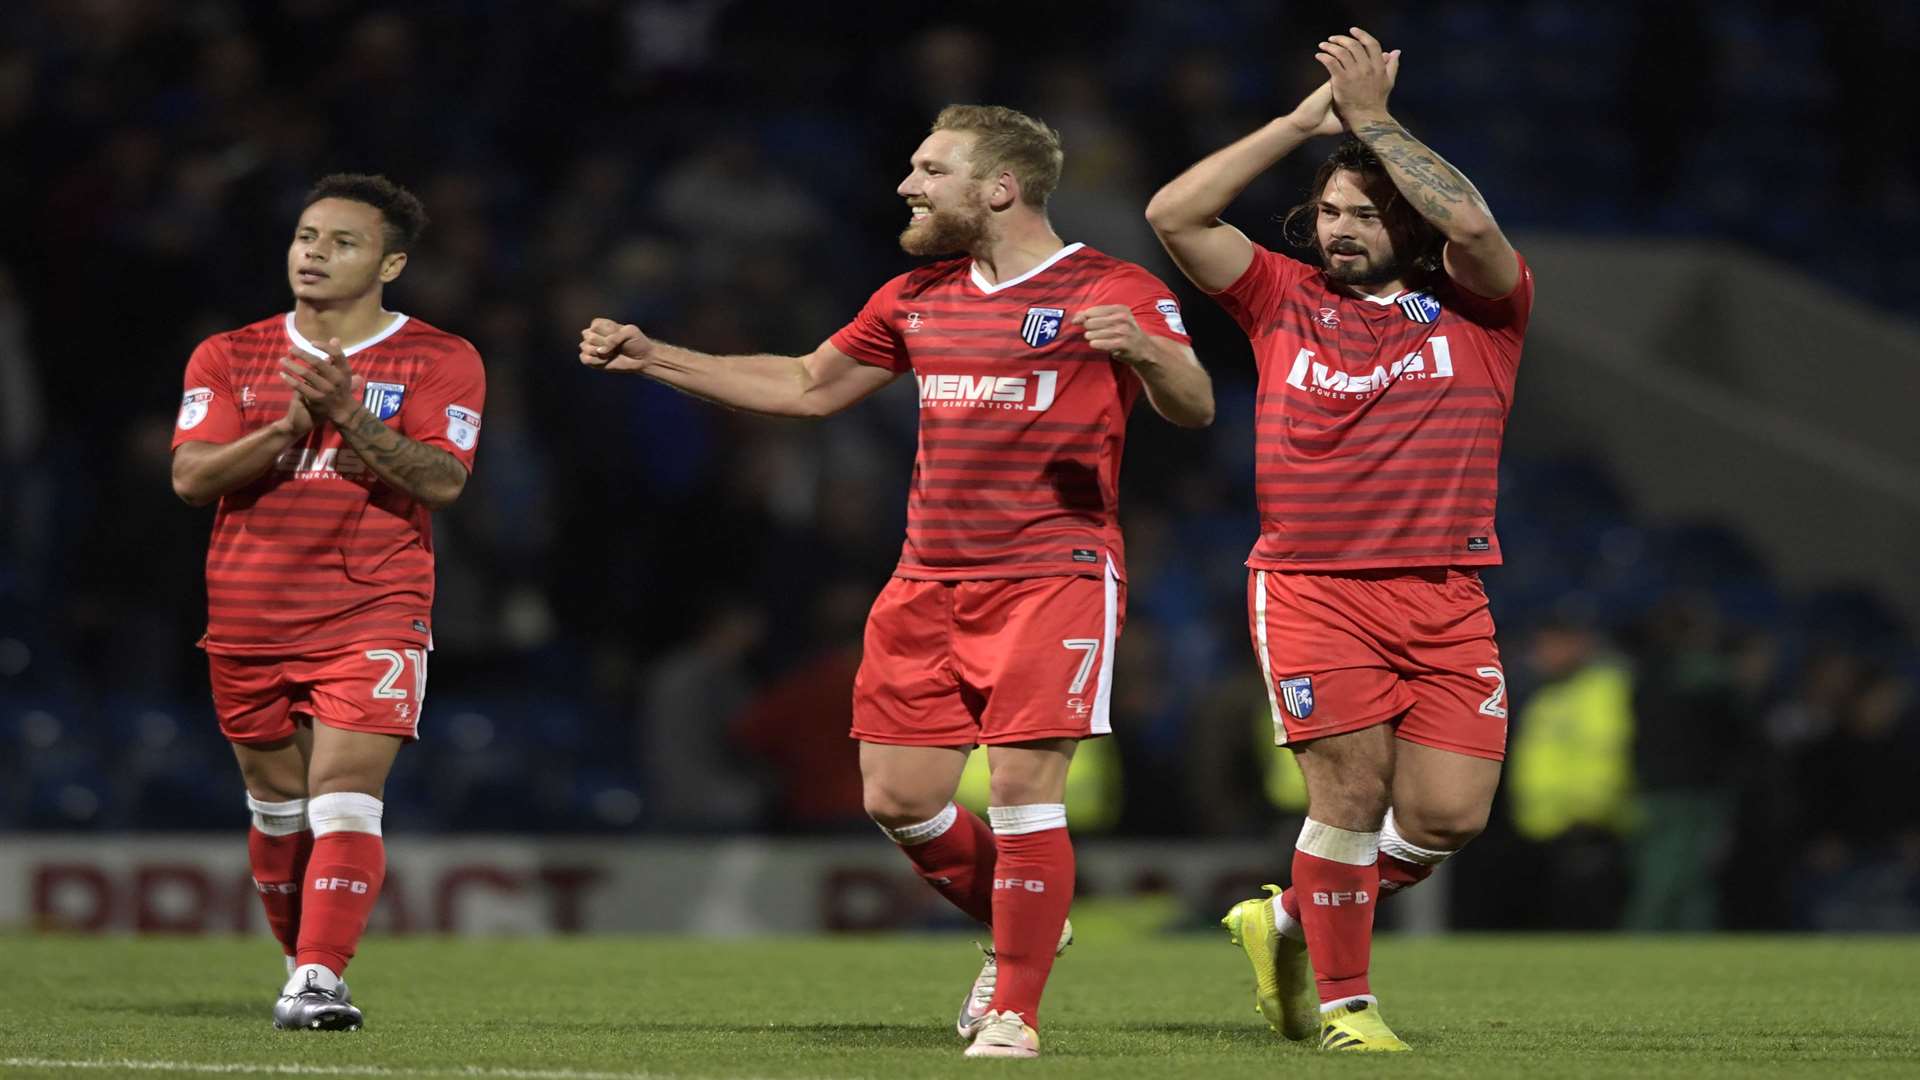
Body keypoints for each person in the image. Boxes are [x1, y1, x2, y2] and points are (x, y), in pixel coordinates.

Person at [580, 105, 1213, 1059]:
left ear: (998, 187)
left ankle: (1015, 1009)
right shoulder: (916, 296)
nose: (909, 185)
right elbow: (804, 386)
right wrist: (654, 356)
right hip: (925, 579)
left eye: (930, 168)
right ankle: (1025, 923)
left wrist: (1151, 351)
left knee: (1023, 791)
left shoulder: (1111, 286)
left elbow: (1196, 403)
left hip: (1053, 572)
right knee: (897, 799)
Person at [1147, 28, 1533, 1052]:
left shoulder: (1482, 311)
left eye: (1366, 214)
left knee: (1449, 817)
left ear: (1408, 223)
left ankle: (1280, 922)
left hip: (1448, 589)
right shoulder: (1282, 297)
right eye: (1329, 213)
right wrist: (1297, 124)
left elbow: (1479, 223)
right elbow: (1173, 215)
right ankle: (1349, 1009)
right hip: (1315, 588)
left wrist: (1374, 122)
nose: (1342, 231)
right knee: (1351, 795)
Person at [170, 173, 486, 1031]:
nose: (314, 252)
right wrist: (283, 429)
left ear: (391, 263)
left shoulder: (439, 357)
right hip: (246, 613)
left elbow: (444, 478)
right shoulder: (229, 354)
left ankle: (318, 977)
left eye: (341, 242)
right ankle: (296, 964)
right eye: (307, 235)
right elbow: (191, 477)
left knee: (345, 795)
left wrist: (351, 417)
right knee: (276, 814)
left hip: (372, 608)